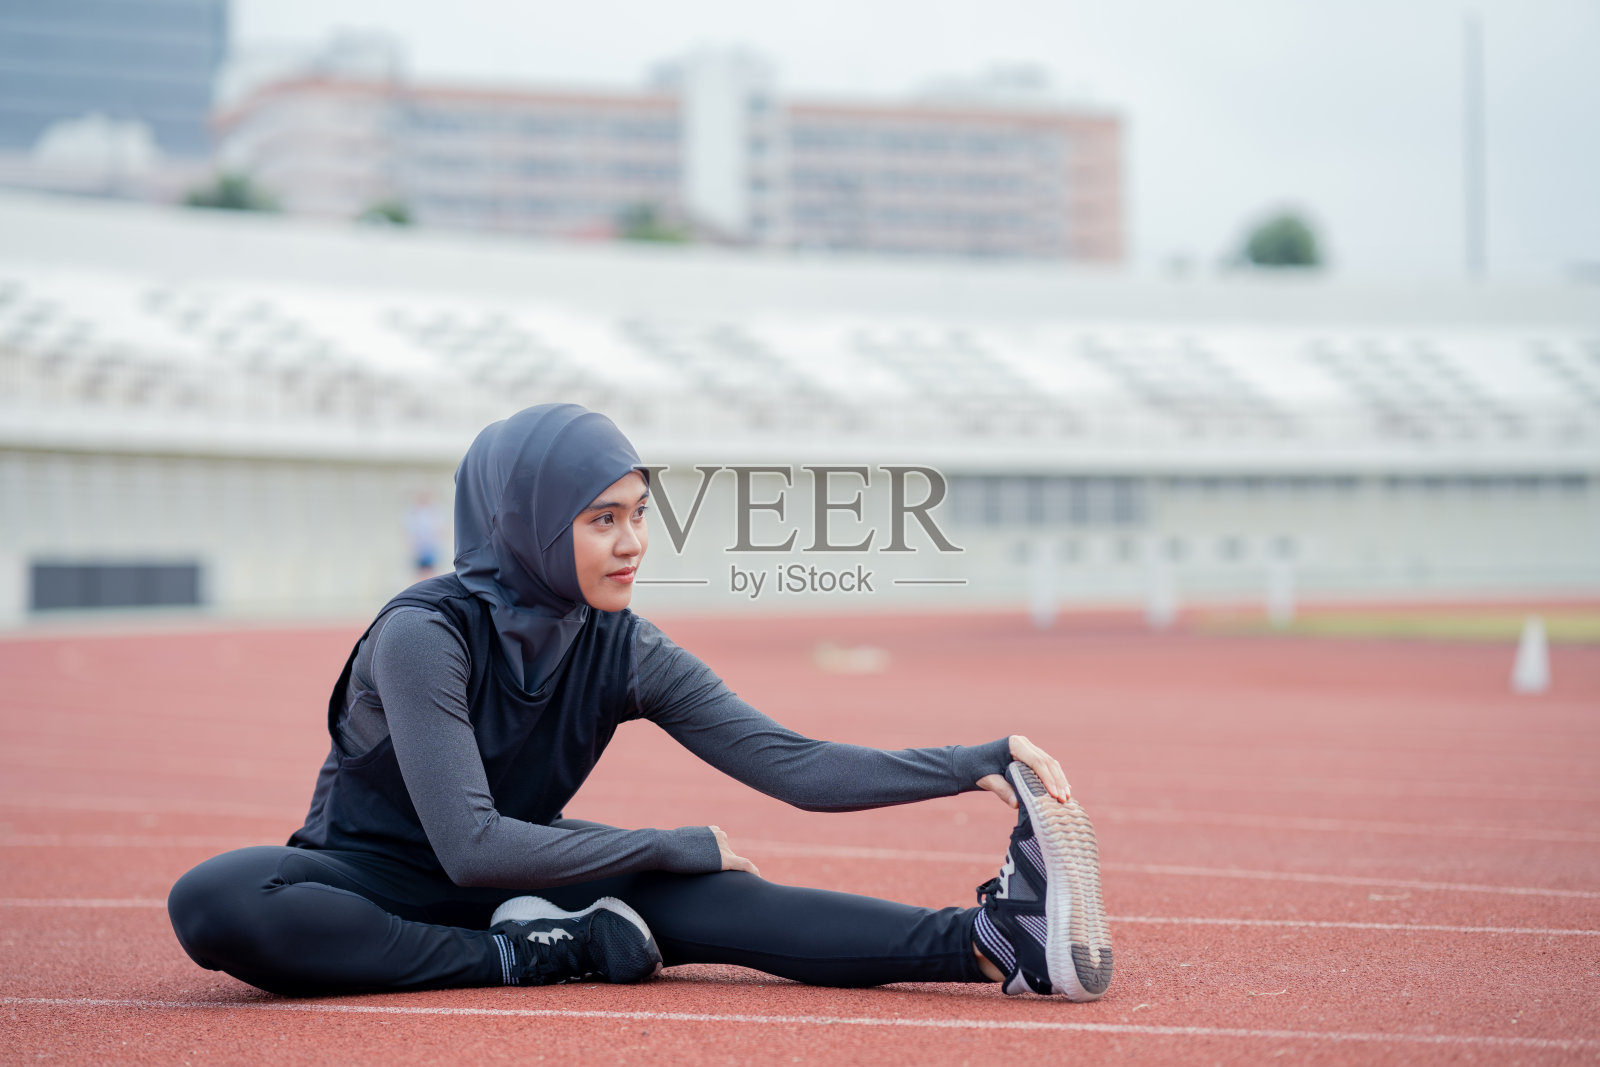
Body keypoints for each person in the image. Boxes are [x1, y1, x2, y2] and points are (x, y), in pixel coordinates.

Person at [167, 404, 1112, 1001]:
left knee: (722, 899)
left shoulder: (624, 645)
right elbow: (468, 844)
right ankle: (535, 955)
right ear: (526, 524)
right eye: (600, 518)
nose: (632, 543)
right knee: (218, 899)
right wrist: (664, 842)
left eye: (637, 514)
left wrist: (973, 761)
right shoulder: (426, 632)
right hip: (370, 881)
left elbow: (791, 763)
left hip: (520, 874)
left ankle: (993, 941)